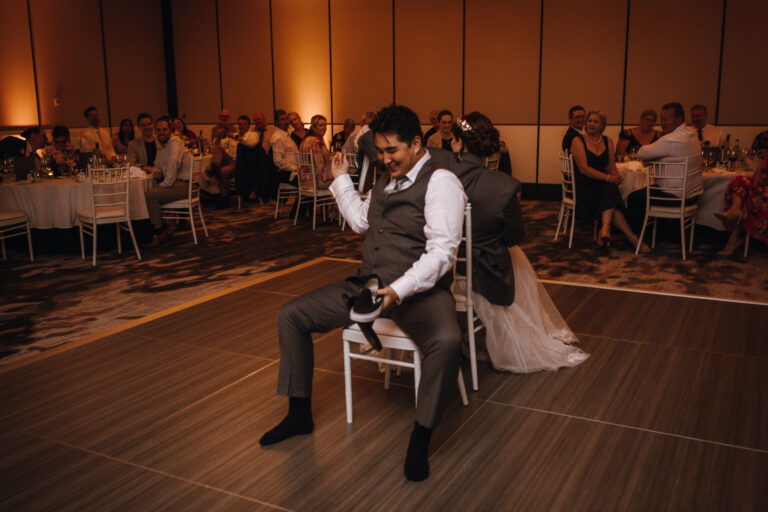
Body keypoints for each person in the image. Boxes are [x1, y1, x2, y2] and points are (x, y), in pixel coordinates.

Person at [259, 104, 466, 483]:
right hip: (368, 283)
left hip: (418, 292)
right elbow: (360, 221)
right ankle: (299, 415)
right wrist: (340, 180)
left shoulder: (441, 183)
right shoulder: (387, 180)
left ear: (417, 144)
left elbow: (442, 254)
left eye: (393, 151)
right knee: (291, 316)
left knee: (448, 341)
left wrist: (398, 291)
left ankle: (421, 439)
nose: (386, 159)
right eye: (381, 152)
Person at [442, 112, 588, 372]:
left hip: (441, 269)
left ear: (458, 144)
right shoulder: (505, 185)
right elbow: (514, 237)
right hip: (486, 271)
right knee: (517, 256)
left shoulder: (437, 177)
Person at [570, 110, 648, 250]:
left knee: (610, 192)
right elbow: (584, 169)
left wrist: (615, 176)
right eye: (589, 121)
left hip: (604, 184)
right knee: (611, 194)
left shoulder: (608, 141)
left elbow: (611, 166)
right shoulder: (578, 140)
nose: (591, 124)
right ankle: (632, 238)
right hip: (585, 185)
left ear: (602, 125)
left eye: (595, 122)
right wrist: (609, 178)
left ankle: (606, 230)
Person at [627, 102, 704, 234]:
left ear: (679, 120)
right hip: (694, 195)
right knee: (645, 191)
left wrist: (652, 159)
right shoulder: (692, 134)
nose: (662, 123)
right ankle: (660, 233)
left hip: (675, 196)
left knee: (633, 197)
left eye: (666, 119)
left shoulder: (672, 139)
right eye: (661, 120)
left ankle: (639, 237)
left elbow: (642, 152)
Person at [714, 132, 768, 256]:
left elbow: (758, 180)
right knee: (739, 180)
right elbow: (756, 178)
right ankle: (735, 209)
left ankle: (735, 238)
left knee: (750, 200)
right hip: (762, 187)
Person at [143, 117, 189, 246]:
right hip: (175, 183)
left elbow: (173, 166)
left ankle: (159, 232)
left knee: (150, 195)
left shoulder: (175, 142)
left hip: (185, 185)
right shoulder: (160, 143)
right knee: (151, 191)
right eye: (158, 130)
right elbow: (157, 163)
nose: (161, 132)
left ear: (170, 130)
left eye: (164, 129)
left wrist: (163, 185)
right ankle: (167, 228)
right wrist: (157, 171)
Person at [298, 114, 333, 189]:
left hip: (304, 181)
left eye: (325, 125)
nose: (324, 128)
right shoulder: (316, 142)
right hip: (317, 182)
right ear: (314, 127)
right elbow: (320, 167)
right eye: (321, 125)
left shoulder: (305, 140)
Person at [270, 109, 298, 185]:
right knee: (311, 181)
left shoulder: (286, 135)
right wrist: (295, 168)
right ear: (276, 122)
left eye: (286, 119)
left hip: (293, 171)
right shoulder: (278, 137)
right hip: (286, 174)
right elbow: (278, 161)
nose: (286, 122)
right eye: (282, 120)